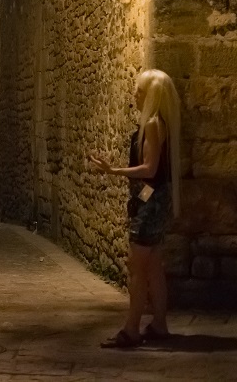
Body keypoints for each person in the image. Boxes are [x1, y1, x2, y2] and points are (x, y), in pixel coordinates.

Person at [89, 69, 181, 349]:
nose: (134, 96)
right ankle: (159, 324)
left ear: (152, 94)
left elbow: (150, 168)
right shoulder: (161, 123)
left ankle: (131, 330)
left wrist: (113, 170)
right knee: (153, 267)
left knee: (137, 269)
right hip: (157, 201)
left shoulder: (152, 124)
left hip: (149, 205)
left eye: (139, 91)